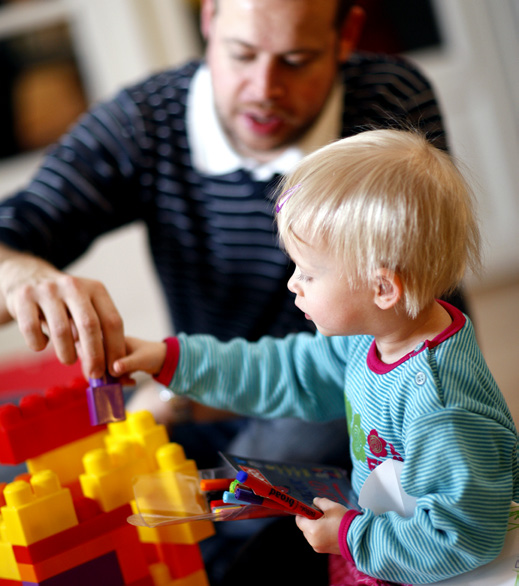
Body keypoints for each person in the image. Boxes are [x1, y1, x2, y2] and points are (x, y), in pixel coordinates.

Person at [110, 129, 519, 585]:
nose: (292, 284)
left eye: (308, 272)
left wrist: (349, 536)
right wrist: (175, 361)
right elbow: (286, 371)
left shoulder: (440, 408)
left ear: (382, 288)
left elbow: (460, 538)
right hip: (381, 531)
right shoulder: (372, 336)